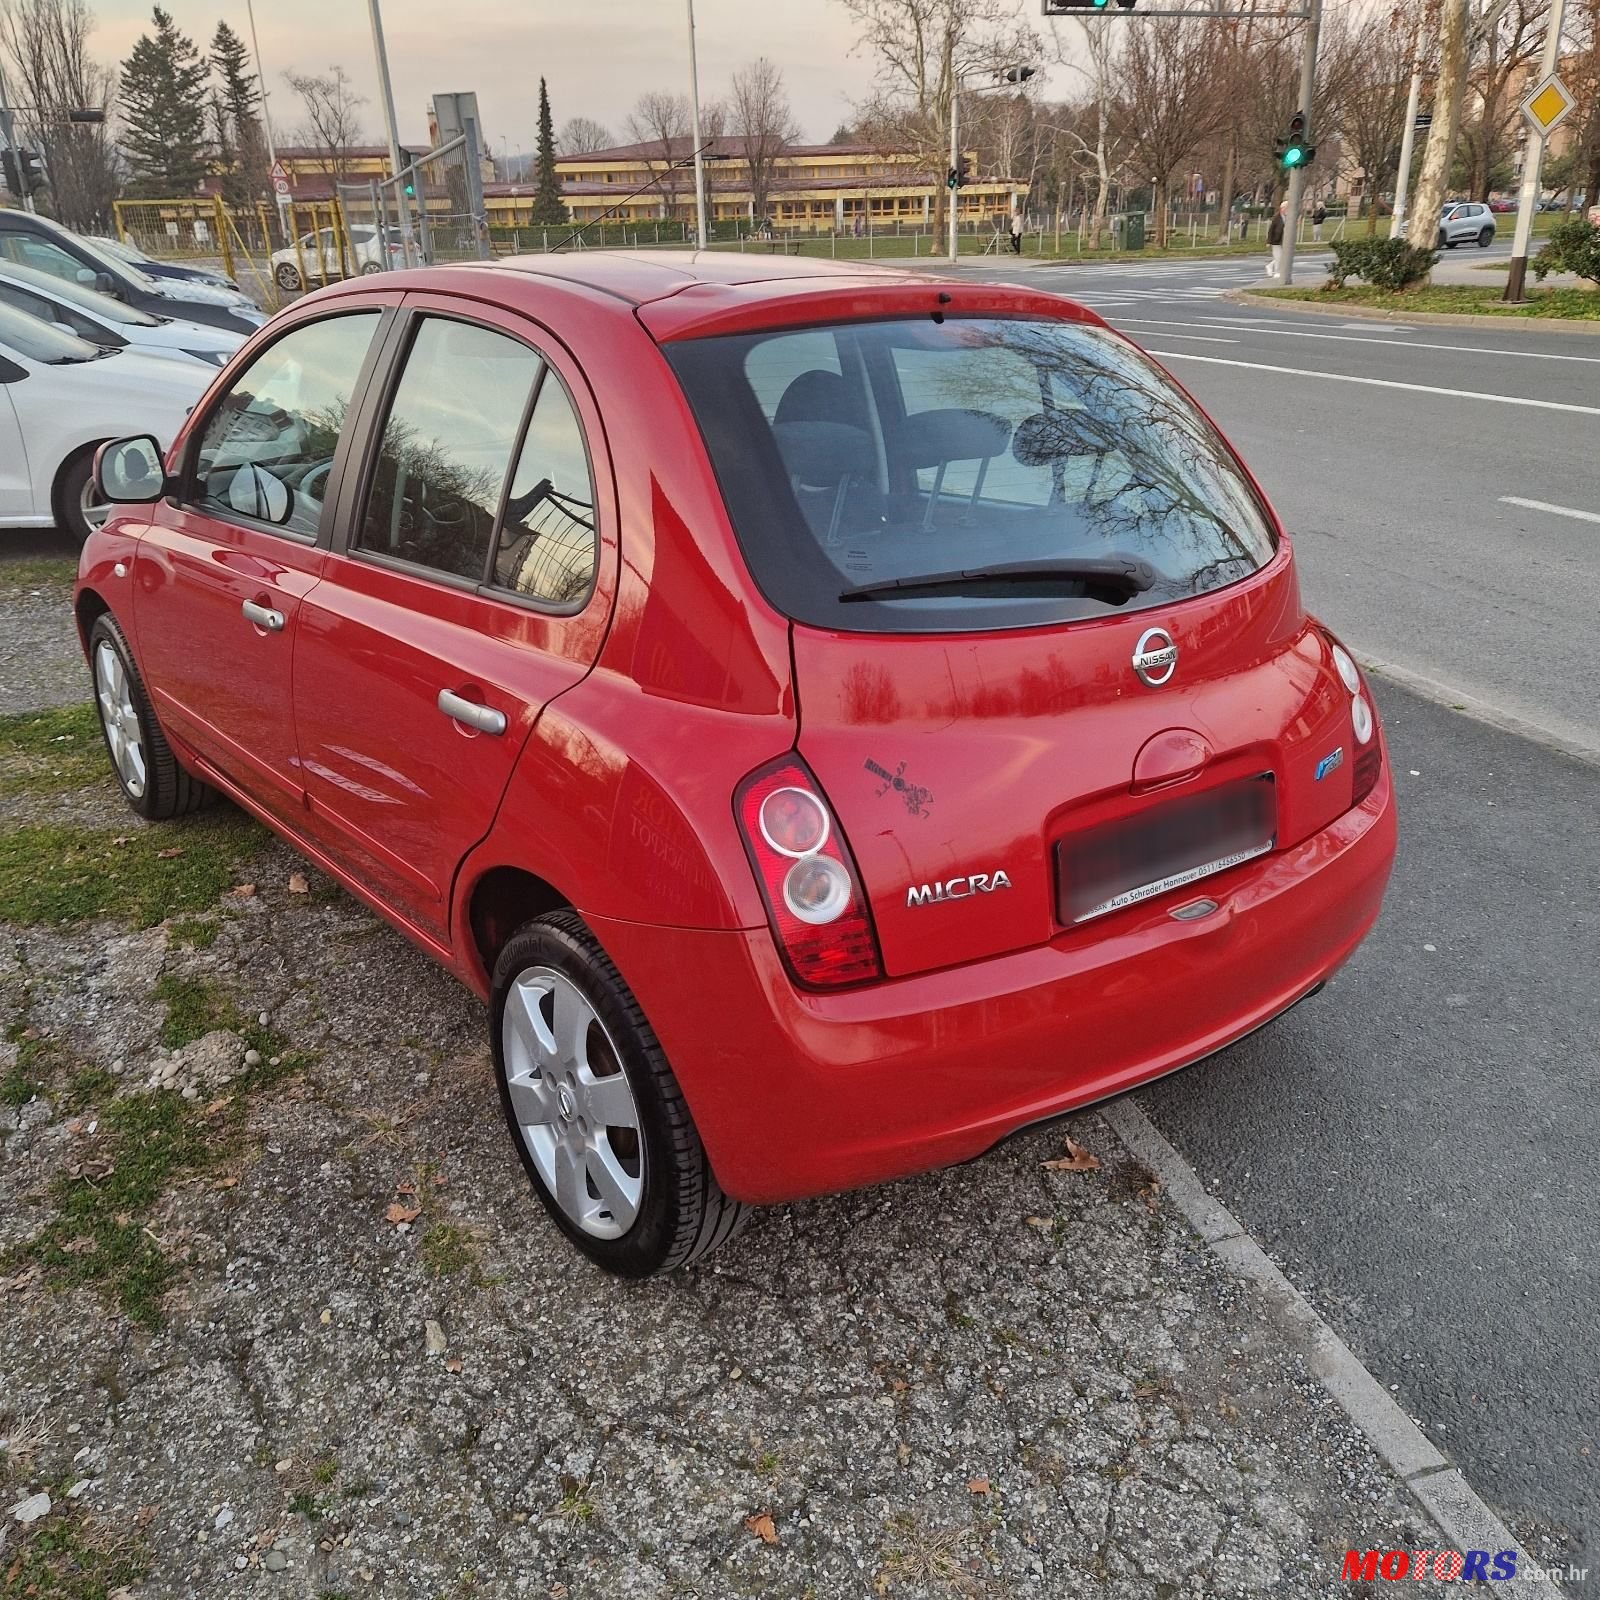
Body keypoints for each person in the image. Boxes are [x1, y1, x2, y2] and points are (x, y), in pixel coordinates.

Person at [1266, 202, 1286, 278]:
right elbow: (1271, 230)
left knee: (1282, 257)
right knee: (1278, 257)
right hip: (1276, 240)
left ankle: (1270, 265)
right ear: (1282, 208)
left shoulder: (1287, 216)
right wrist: (1269, 241)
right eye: (1286, 208)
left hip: (1284, 240)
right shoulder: (1276, 217)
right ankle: (1277, 272)